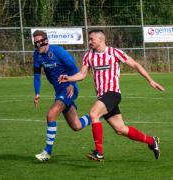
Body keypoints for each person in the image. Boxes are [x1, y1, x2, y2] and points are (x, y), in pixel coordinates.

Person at [58, 29, 165, 162]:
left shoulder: (114, 52)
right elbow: (82, 74)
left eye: (92, 39)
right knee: (120, 129)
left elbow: (135, 64)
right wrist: (69, 78)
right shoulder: (88, 55)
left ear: (101, 39)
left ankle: (99, 152)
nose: (89, 41)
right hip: (102, 97)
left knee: (93, 113)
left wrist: (151, 80)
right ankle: (151, 141)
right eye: (89, 39)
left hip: (113, 93)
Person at [32, 30, 91, 162]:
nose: (37, 45)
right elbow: (36, 76)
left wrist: (71, 83)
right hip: (59, 91)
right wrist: (37, 93)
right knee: (76, 125)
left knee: (51, 114)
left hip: (69, 88)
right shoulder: (37, 55)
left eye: (39, 42)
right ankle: (96, 115)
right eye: (35, 43)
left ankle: (47, 151)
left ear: (46, 41)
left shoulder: (58, 52)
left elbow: (75, 69)